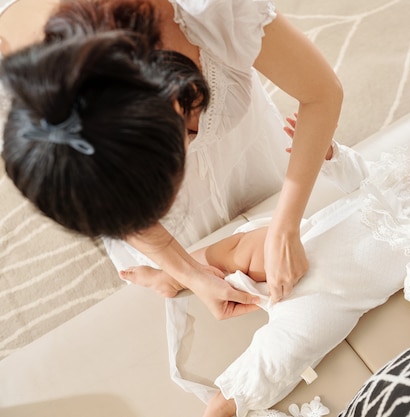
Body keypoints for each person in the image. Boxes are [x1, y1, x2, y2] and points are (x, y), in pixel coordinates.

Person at [127, 122, 410, 417]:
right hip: (293, 250)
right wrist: (329, 151)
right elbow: (352, 169)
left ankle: (222, 408)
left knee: (278, 359)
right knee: (242, 244)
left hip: (327, 306)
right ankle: (175, 273)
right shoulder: (392, 181)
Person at [0, 0, 343, 318]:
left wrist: (286, 227)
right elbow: (105, 194)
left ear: (177, 99)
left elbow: (322, 94)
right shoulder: (21, 67)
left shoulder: (211, 10)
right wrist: (186, 272)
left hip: (248, 157)